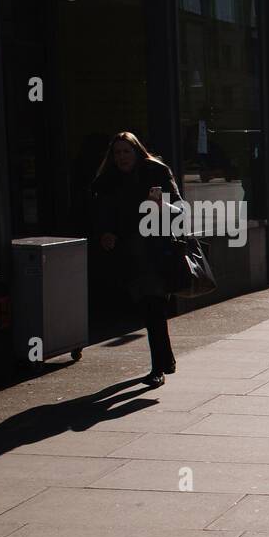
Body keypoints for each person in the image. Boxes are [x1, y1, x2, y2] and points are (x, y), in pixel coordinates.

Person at [92, 131, 182, 389]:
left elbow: (179, 209)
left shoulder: (156, 172)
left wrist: (160, 204)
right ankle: (166, 359)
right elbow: (102, 216)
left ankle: (157, 368)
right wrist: (106, 234)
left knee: (153, 306)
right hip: (128, 254)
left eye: (126, 152)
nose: (122, 157)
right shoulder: (108, 182)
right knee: (148, 308)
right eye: (117, 153)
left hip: (156, 252)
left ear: (137, 152)